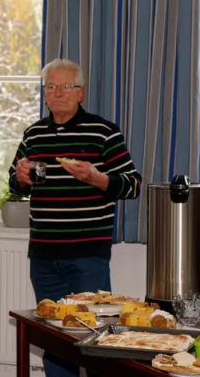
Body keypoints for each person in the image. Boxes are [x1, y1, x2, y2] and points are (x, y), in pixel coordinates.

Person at [8, 59, 142, 377]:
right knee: (55, 339)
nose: (58, 93)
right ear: (44, 93)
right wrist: (21, 177)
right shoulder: (34, 134)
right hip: (43, 257)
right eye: (51, 87)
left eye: (65, 86)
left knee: (93, 341)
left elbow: (133, 184)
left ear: (80, 92)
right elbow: (15, 183)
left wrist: (97, 177)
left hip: (87, 257)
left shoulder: (103, 132)